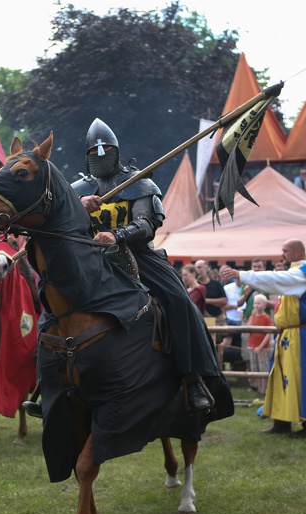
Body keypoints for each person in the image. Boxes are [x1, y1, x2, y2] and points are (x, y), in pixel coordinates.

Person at [70, 117, 223, 414]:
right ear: (87, 155)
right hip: (89, 258)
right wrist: (78, 207)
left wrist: (116, 234)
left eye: (106, 150)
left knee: (179, 302)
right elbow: (64, 223)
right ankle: (47, 383)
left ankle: (192, 379)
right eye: (94, 152)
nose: (100, 156)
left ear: (115, 150)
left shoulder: (138, 182)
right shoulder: (77, 189)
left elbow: (147, 223)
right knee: (53, 301)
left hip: (137, 255)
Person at [221, 239, 306, 437]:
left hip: (301, 337)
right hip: (290, 335)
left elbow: (274, 280)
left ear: (298, 252)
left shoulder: (301, 274)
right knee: (283, 376)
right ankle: (281, 422)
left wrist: (243, 275)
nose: (282, 254)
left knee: (304, 377)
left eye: (285, 250)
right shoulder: (297, 274)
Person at [246, 294, 272, 395]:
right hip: (252, 346)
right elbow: (248, 328)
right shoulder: (253, 316)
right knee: (255, 368)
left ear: (264, 305)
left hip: (262, 348)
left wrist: (261, 346)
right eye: (255, 303)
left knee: (262, 369)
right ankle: (257, 388)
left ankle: (263, 389)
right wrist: (252, 317)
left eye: (259, 303)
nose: (256, 306)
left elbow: (268, 334)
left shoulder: (266, 318)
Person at [195, 260, 227, 331]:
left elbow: (224, 301)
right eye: (196, 268)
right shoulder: (193, 286)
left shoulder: (216, 284)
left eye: (199, 267)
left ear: (206, 269)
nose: (197, 270)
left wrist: (206, 301)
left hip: (216, 319)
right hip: (199, 320)